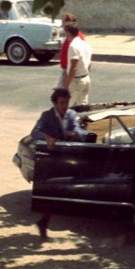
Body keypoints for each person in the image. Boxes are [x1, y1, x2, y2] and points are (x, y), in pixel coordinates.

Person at [31, 88, 89, 240]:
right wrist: (47, 138)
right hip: (53, 159)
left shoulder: (71, 115)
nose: (65, 106)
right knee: (55, 192)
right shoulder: (47, 116)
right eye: (62, 103)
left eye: (67, 102)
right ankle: (44, 221)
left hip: (69, 158)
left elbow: (81, 131)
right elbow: (35, 132)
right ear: (55, 103)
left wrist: (76, 133)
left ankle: (45, 221)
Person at [61, 22, 92, 107]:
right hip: (86, 78)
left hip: (76, 81)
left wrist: (66, 85)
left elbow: (73, 68)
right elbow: (89, 65)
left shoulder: (73, 46)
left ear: (68, 33)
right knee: (83, 108)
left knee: (67, 108)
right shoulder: (86, 45)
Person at [59, 13, 85, 81]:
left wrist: (69, 75)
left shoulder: (76, 37)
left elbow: (76, 55)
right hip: (67, 68)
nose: (62, 25)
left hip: (70, 70)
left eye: (64, 23)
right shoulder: (69, 36)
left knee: (62, 90)